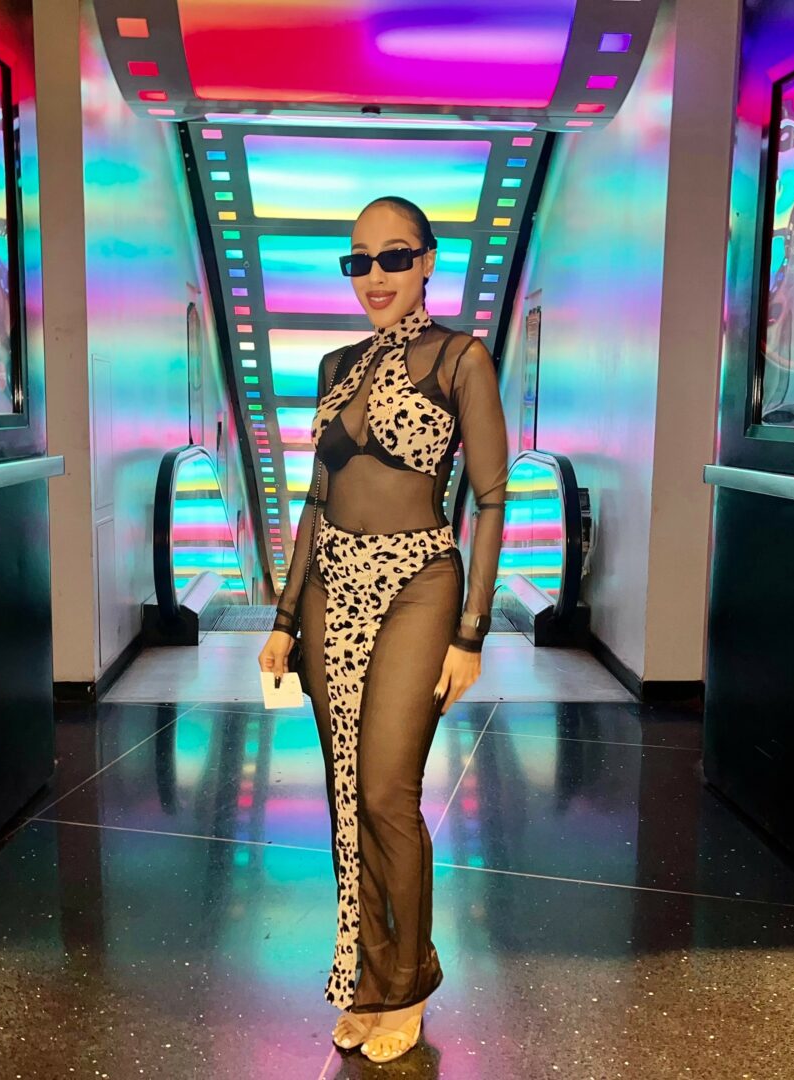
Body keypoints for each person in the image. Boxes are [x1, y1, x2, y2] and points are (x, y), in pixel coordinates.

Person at [257, 196, 508, 1063]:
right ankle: (367, 980)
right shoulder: (334, 366)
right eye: (358, 260)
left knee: (387, 793)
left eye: (394, 257)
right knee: (344, 793)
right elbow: (315, 502)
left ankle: (408, 982)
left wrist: (472, 632)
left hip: (418, 584)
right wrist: (283, 617)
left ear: (429, 261)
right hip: (331, 588)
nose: (375, 276)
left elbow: (491, 498)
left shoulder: (461, 358)